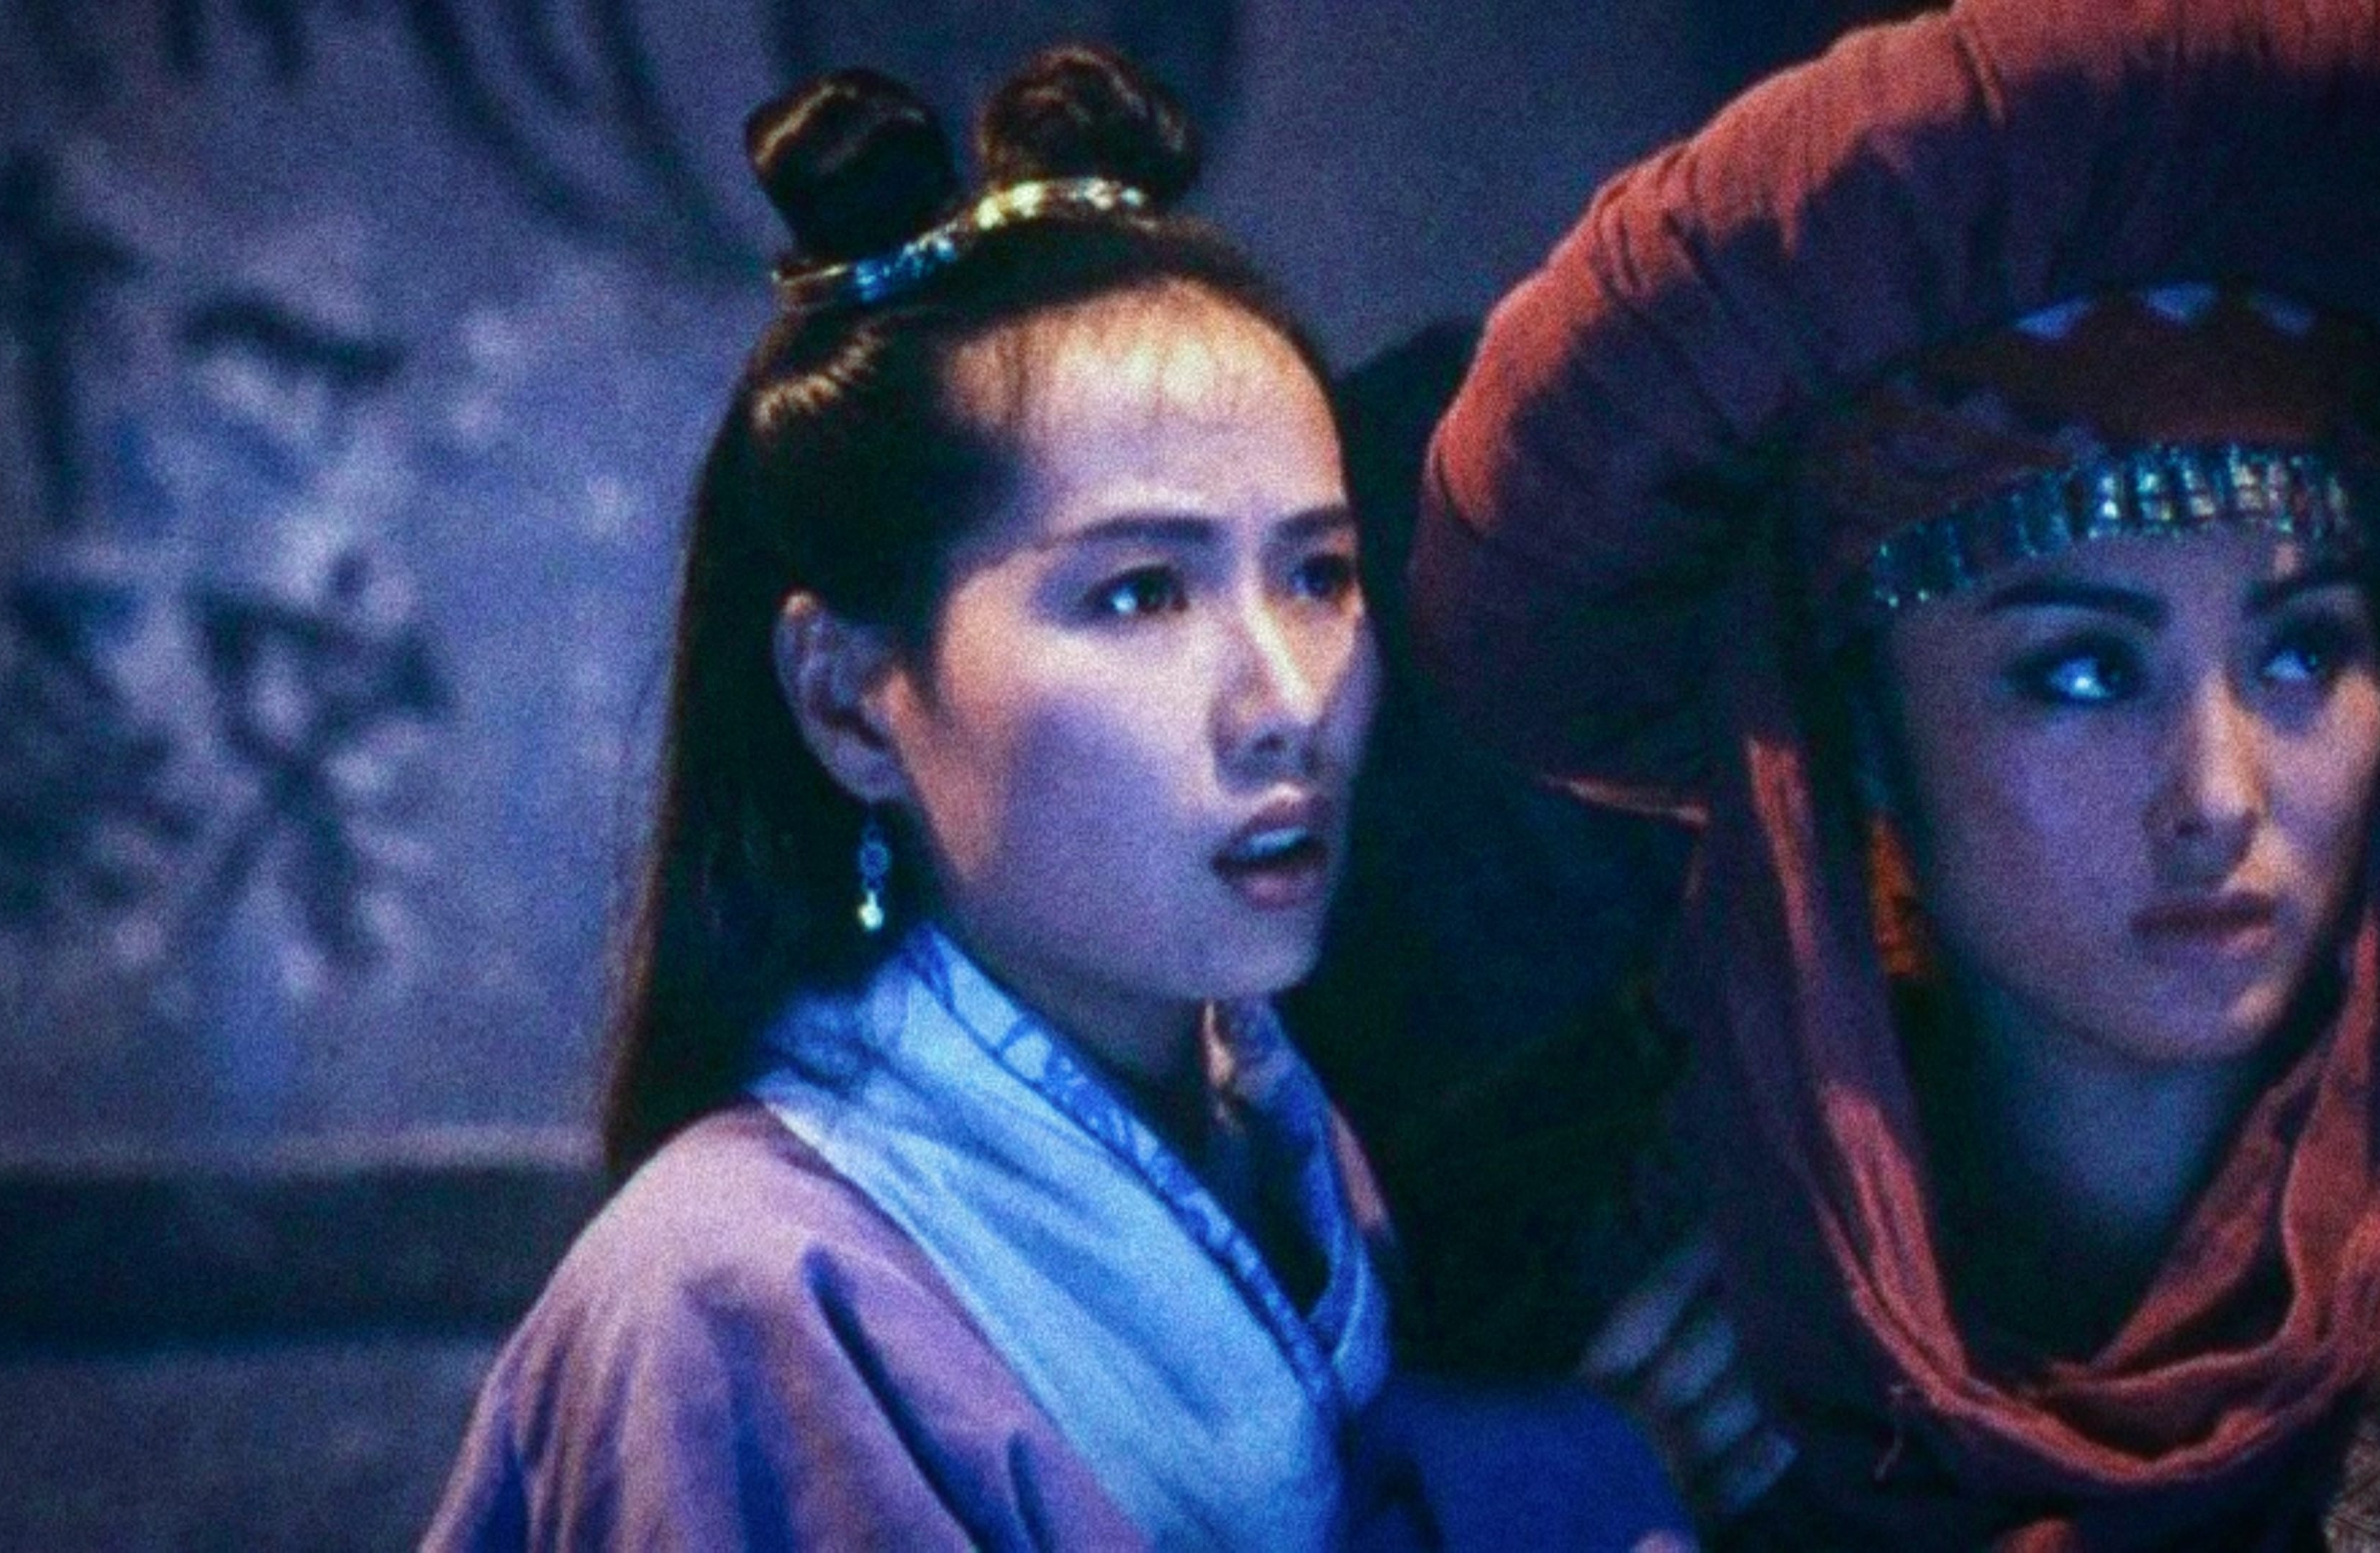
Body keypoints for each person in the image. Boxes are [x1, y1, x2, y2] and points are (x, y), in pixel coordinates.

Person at [1409, 0, 2380, 1544]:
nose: (2219, 794)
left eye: (2304, 651)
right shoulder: (1631, 1351)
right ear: (1862, 735)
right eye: (2083, 671)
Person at [427, 46, 1683, 1551]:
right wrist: (1576, 1489)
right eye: (1140, 591)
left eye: (1318, 573)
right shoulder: (734, 1295)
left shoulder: (1275, 1125)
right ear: (850, 700)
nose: (1286, 700)